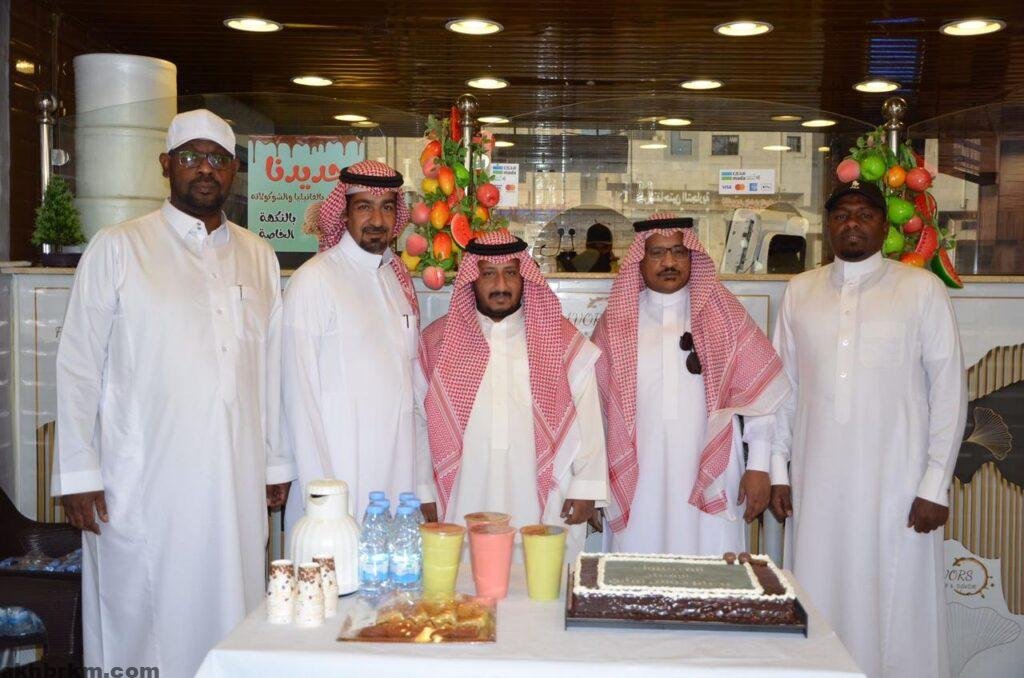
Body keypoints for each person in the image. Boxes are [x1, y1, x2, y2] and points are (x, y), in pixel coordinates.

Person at [53, 109, 294, 677]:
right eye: (190, 157)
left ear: (234, 170)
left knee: (234, 607)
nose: (204, 170)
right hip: (143, 482)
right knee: (142, 619)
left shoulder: (258, 256)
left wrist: (275, 461)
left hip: (235, 478)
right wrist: (79, 473)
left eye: (217, 159)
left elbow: (272, 368)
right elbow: (78, 363)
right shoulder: (119, 247)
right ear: (166, 165)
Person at [768, 181, 967, 678]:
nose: (852, 223)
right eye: (841, 215)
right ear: (828, 226)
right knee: (817, 588)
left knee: (896, 603)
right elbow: (782, 390)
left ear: (883, 225)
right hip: (817, 482)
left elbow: (948, 391)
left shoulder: (920, 289)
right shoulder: (800, 291)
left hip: (897, 485)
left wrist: (935, 483)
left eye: (864, 214)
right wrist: (778, 471)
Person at [592, 213, 789, 554]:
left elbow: (760, 400)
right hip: (638, 476)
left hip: (712, 470)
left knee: (709, 566)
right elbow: (595, 415)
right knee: (637, 566)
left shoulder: (724, 314)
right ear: (640, 261)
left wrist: (759, 466)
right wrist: (593, 485)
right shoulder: (616, 322)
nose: (669, 262)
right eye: (657, 253)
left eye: (678, 252)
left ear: (692, 257)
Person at [420, 230, 608, 558]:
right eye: (488, 274)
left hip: (540, 496)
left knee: (539, 578)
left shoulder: (562, 341)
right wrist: (423, 490)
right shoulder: (437, 342)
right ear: (471, 280)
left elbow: (589, 416)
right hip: (464, 492)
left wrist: (587, 487)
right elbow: (419, 424)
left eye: (510, 273)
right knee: (466, 577)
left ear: (524, 279)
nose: (501, 285)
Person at [282, 160, 436, 527]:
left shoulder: (395, 281)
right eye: (364, 206)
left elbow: (411, 393)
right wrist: (323, 497)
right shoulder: (314, 281)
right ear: (344, 213)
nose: (377, 220)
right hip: (339, 477)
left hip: (396, 480)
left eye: (387, 207)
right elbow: (298, 398)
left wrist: (421, 486)